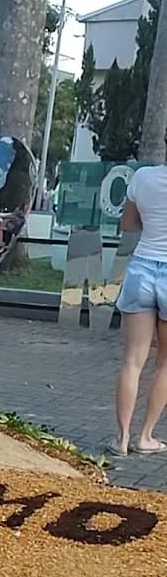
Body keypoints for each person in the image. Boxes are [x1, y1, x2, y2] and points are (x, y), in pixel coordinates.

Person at [113, 163, 167, 455]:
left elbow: (128, 224)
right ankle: (145, 437)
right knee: (165, 363)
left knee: (133, 361)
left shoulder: (143, 176)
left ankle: (121, 439)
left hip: (142, 268)